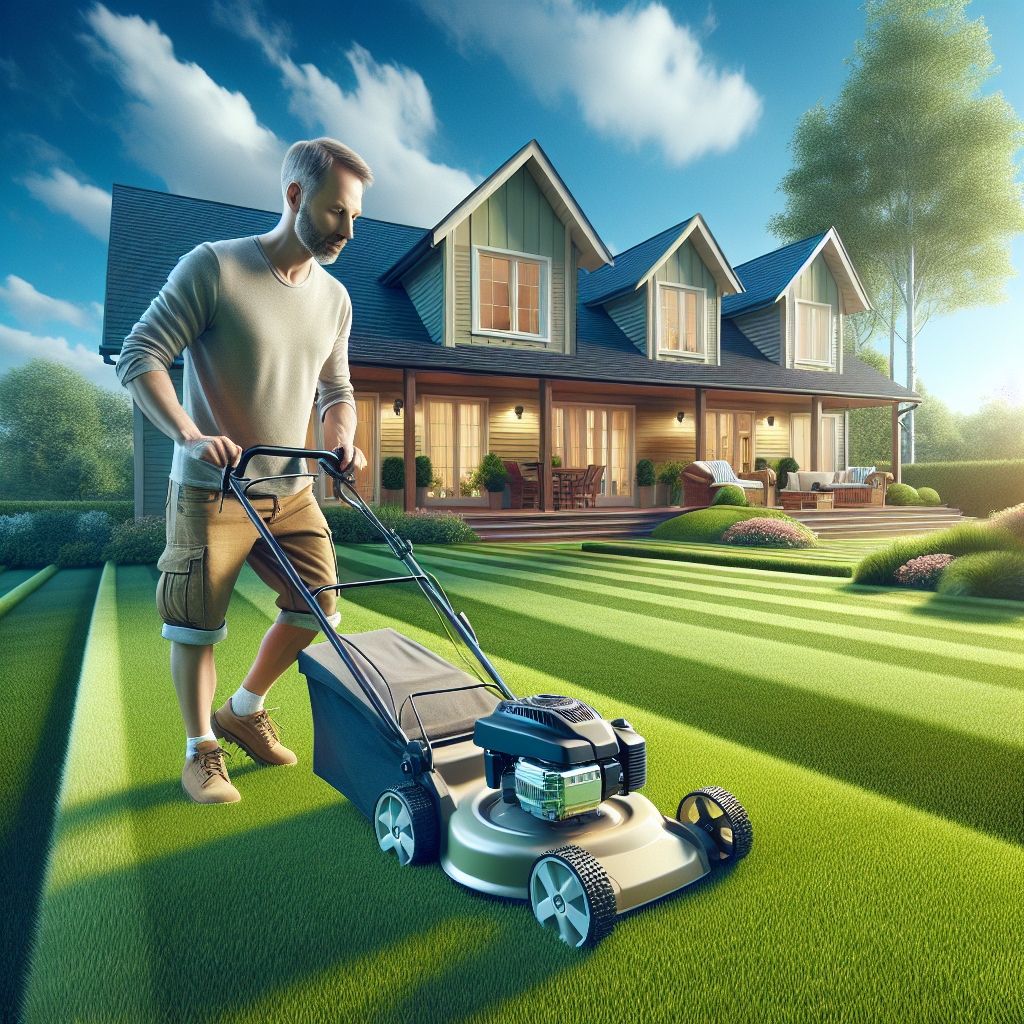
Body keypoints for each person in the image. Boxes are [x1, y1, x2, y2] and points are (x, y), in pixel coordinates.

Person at [117, 138, 372, 804]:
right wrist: (190, 434)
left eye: (355, 217)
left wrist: (342, 441)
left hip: (292, 491)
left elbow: (336, 392)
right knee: (195, 623)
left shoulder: (337, 299)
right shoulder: (215, 268)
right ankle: (201, 749)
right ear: (293, 197)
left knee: (319, 605)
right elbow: (140, 354)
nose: (349, 230)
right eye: (336, 212)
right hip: (212, 489)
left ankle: (245, 707)